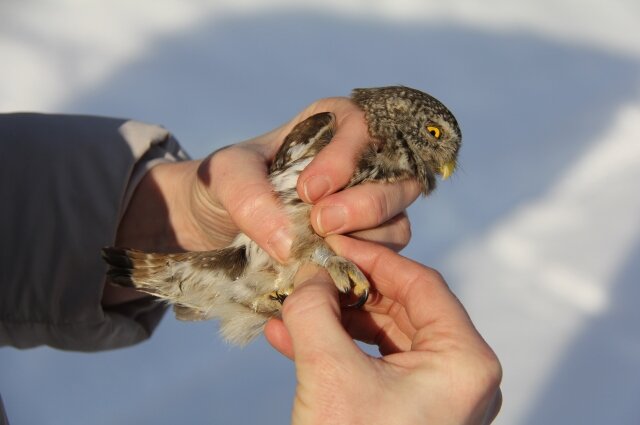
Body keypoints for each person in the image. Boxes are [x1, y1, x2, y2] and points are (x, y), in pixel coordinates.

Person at [0, 97, 501, 424]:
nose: (445, 163)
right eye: (435, 137)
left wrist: (180, 212)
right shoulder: (337, 136)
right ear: (402, 112)